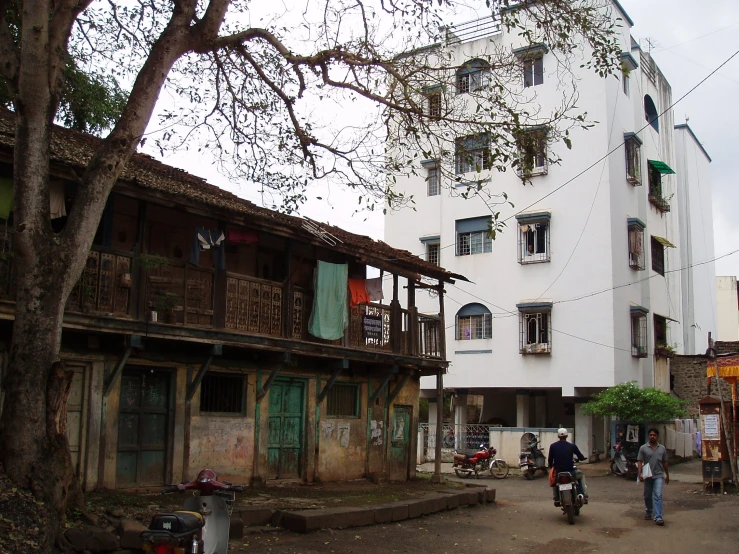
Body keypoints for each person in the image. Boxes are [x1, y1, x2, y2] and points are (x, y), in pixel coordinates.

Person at [637, 427, 670, 526]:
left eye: (654, 435)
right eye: (650, 435)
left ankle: (658, 517)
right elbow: (640, 462)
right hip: (647, 475)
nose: (652, 436)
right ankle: (648, 511)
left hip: (659, 475)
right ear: (648, 436)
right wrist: (640, 474)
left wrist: (667, 474)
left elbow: (665, 462)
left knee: (658, 495)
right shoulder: (643, 448)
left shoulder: (662, 448)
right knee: (647, 495)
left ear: (657, 436)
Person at [548, 428, 587, 506]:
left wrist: (550, 466)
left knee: (555, 482)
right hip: (571, 471)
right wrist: (582, 458)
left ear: (558, 436)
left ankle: (556, 498)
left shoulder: (553, 446)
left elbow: (550, 459)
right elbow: (580, 456)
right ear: (567, 436)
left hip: (558, 471)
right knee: (581, 475)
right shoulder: (572, 446)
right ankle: (582, 494)